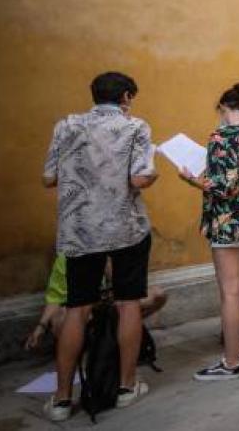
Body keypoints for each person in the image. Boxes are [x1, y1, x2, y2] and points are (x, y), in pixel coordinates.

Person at [41, 71, 157, 421]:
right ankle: (127, 386)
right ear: (124, 97)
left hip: (79, 230)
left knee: (77, 308)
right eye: (130, 97)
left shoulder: (66, 126)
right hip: (125, 228)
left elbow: (48, 178)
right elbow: (139, 177)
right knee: (128, 304)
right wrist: (153, 175)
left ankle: (61, 400)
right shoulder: (135, 127)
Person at [179, 82, 239, 380]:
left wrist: (191, 179)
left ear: (223, 109)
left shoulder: (220, 137)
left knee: (231, 291)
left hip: (228, 221)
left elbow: (224, 187)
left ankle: (231, 362)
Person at [24, 254, 167, 355]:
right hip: (84, 310)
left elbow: (129, 288)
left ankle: (121, 333)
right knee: (60, 319)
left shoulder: (117, 251)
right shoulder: (68, 257)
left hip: (112, 305)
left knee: (158, 294)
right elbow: (55, 298)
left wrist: (108, 266)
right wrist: (40, 327)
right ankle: (82, 346)